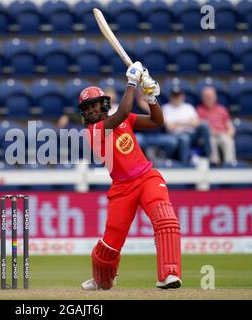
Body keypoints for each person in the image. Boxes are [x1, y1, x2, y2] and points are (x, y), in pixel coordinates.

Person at [78, 62, 181, 290]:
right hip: (122, 188)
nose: (92, 110)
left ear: (103, 104)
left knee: (166, 220)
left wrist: (152, 99)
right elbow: (123, 111)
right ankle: (103, 280)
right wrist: (132, 82)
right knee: (109, 246)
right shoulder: (93, 131)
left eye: (95, 105)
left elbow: (157, 121)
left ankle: (169, 275)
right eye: (87, 108)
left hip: (147, 178)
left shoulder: (123, 118)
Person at [162, 87, 211, 165]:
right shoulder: (165, 108)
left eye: (178, 95)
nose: (176, 98)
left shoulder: (189, 107)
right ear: (171, 96)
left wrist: (178, 123)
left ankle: (208, 156)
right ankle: (184, 164)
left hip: (192, 134)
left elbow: (197, 123)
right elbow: (169, 127)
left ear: (182, 96)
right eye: (175, 96)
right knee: (184, 138)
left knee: (204, 125)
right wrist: (187, 122)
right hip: (176, 135)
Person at [197, 87, 236, 165]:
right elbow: (199, 126)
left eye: (211, 96)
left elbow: (229, 125)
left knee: (228, 141)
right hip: (209, 135)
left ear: (215, 97)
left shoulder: (222, 109)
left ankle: (229, 165)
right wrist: (212, 132)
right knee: (211, 141)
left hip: (223, 134)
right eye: (206, 96)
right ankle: (214, 164)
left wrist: (230, 132)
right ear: (202, 98)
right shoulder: (199, 110)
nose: (209, 98)